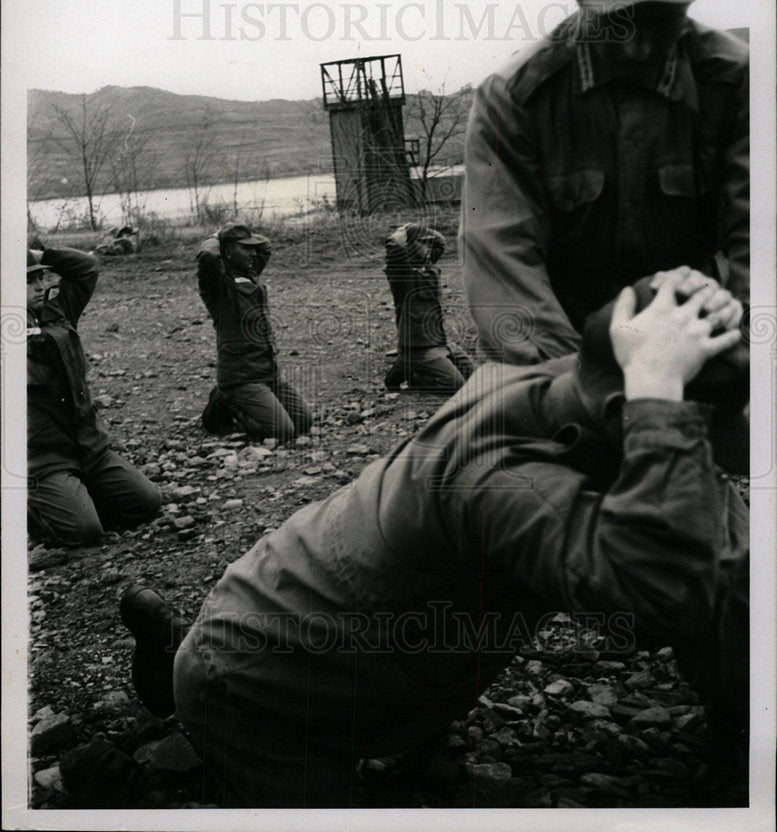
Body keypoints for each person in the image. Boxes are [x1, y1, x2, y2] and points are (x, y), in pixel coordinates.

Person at [121, 266, 748, 807]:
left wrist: (681, 310)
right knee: (216, 710)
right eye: (725, 418)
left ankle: (180, 663)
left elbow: (725, 571)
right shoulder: (499, 478)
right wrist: (666, 402)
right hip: (256, 685)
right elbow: (669, 590)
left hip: (337, 632)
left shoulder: (569, 382)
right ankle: (174, 671)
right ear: (631, 410)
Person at [460, 0, 749, 365]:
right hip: (555, 352)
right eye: (617, 19)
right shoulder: (515, 98)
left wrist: (742, 365)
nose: (639, 49)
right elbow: (504, 270)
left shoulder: (736, 83)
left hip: (692, 339)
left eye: (662, 19)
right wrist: (583, 390)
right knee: (471, 437)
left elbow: (759, 248)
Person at [27, 247, 162, 547]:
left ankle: (76, 497)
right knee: (84, 533)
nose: (40, 287)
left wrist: (40, 251)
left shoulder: (58, 308)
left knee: (148, 502)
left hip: (89, 446)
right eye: (28, 282)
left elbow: (87, 267)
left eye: (40, 277)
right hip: (43, 459)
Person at [197, 222, 312, 442]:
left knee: (304, 421)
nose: (253, 253)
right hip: (241, 376)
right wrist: (216, 236)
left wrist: (240, 235)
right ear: (228, 251)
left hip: (267, 372)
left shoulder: (249, 272)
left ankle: (232, 398)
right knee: (283, 432)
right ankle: (226, 401)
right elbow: (208, 257)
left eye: (252, 248)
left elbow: (265, 246)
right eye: (245, 248)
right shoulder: (218, 284)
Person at [383, 222, 475, 392]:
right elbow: (395, 245)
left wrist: (421, 229)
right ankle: (415, 374)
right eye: (421, 242)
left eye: (428, 243)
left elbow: (440, 243)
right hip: (419, 347)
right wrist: (403, 231)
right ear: (409, 247)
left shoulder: (430, 270)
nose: (427, 247)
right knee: (458, 386)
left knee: (475, 376)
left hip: (440, 341)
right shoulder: (400, 275)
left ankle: (407, 365)